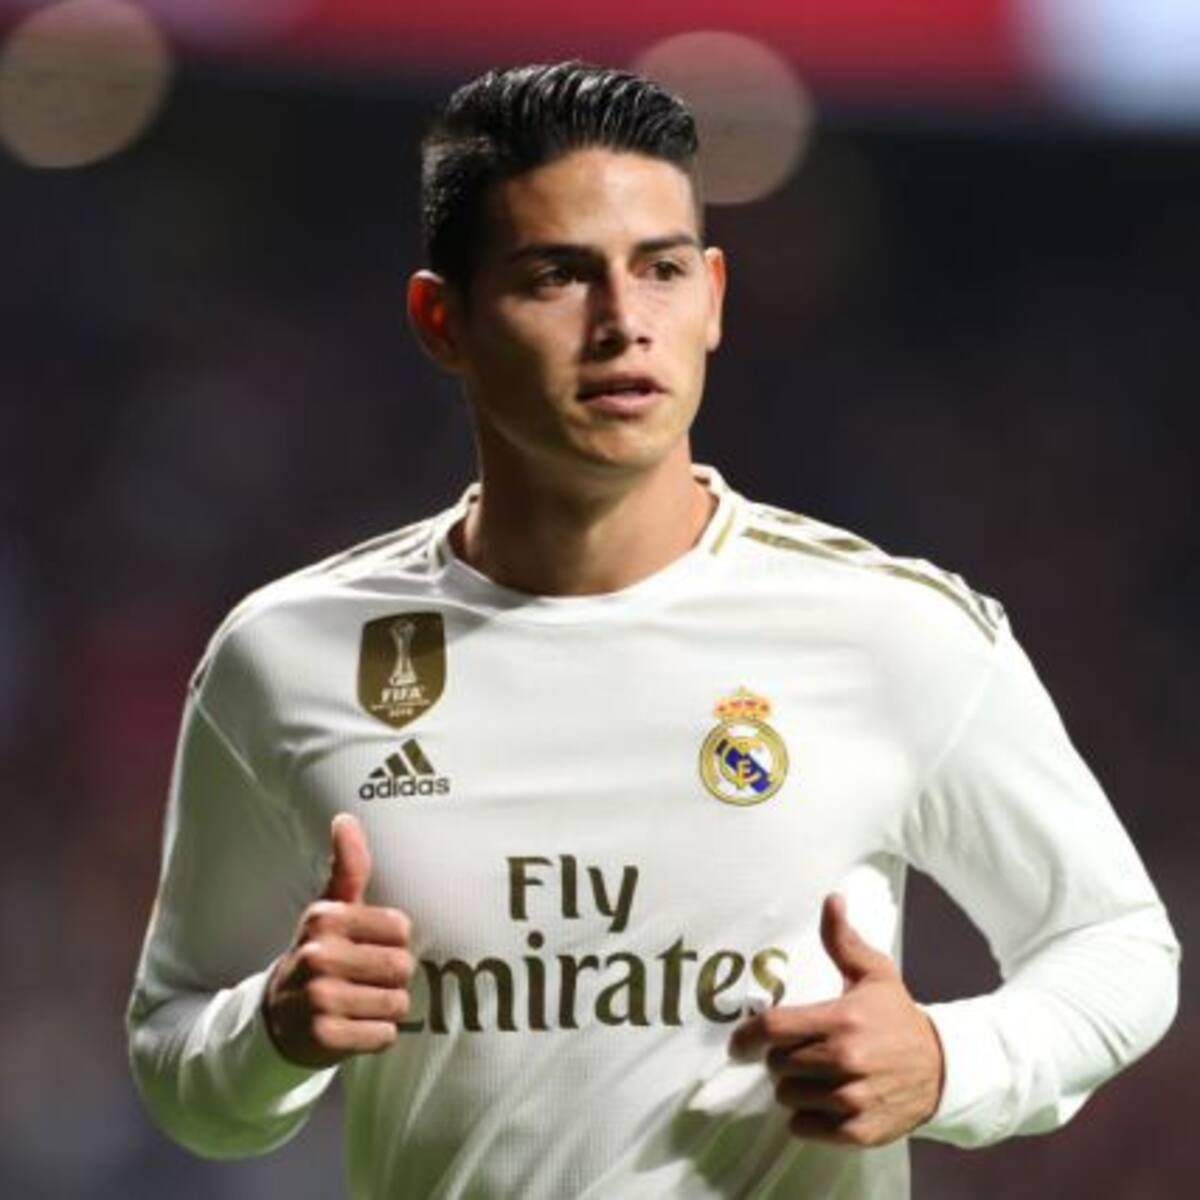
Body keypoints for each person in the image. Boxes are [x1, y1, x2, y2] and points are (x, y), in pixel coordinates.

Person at [127, 61, 1179, 1198]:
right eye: (557, 275)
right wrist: (269, 1033)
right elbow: (178, 1057)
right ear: (443, 320)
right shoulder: (287, 656)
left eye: (662, 269)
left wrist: (949, 1061)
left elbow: (1119, 946)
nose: (624, 324)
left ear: (712, 298)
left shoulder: (891, 633)